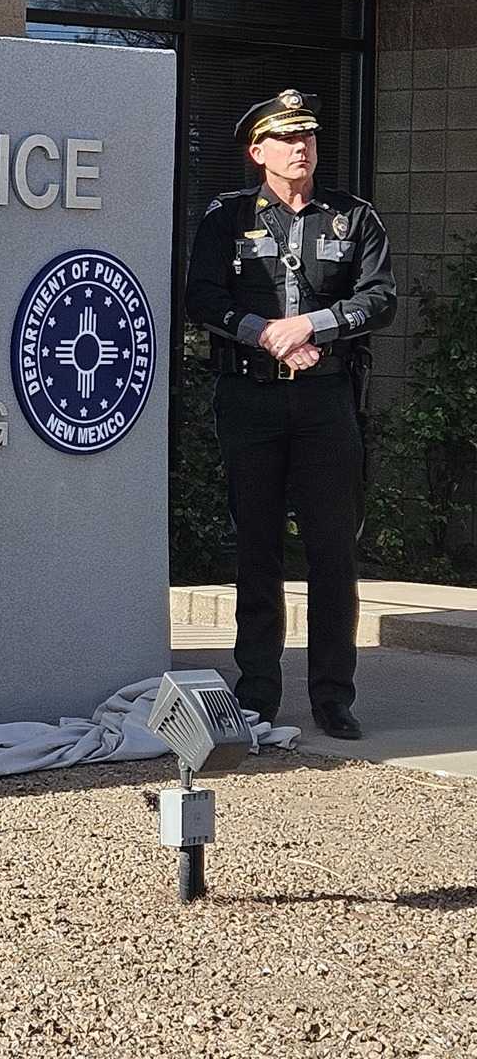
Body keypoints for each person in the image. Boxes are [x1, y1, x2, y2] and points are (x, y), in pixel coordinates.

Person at [184, 88, 396, 741]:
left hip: (327, 403)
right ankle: (257, 695)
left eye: (308, 136)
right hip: (252, 401)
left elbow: (380, 297)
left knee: (334, 552)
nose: (301, 146)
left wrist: (315, 324)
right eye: (286, 137)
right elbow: (201, 295)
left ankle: (334, 697)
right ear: (258, 151)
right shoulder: (228, 216)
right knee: (258, 551)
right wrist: (262, 331)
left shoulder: (353, 216)